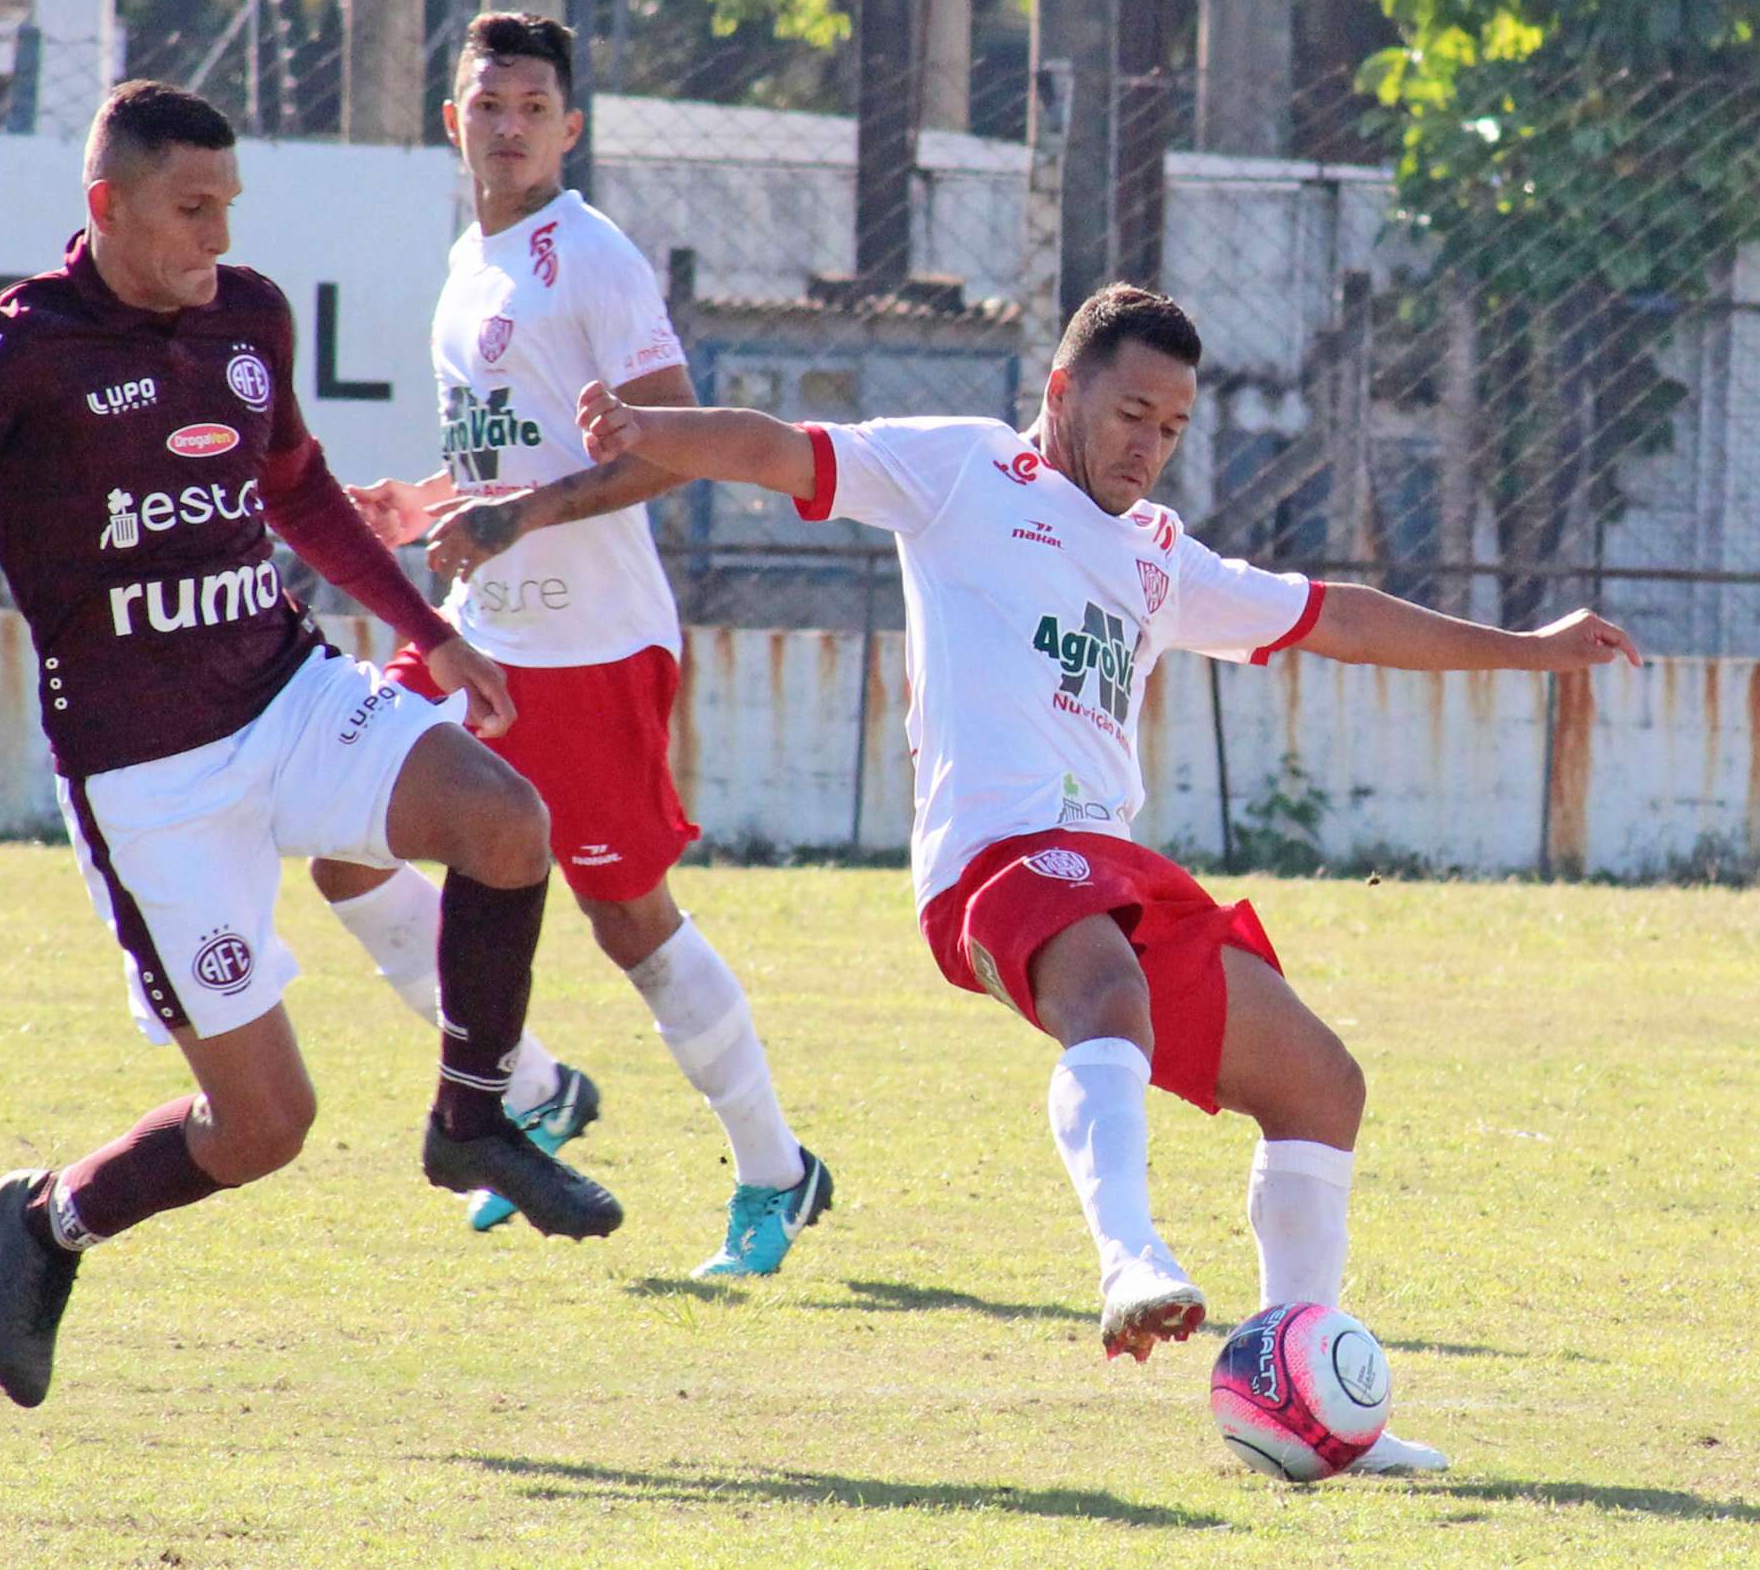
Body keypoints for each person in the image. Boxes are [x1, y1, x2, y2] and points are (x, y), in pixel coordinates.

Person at [542, 283, 1643, 1473]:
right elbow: (779, 449)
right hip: (990, 861)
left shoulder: (1159, 557)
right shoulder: (964, 472)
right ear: (1061, 392)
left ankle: (1304, 1393)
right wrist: (656, 431)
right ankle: (1129, 1257)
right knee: (1106, 986)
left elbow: (1337, 617)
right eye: (1130, 413)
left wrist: (1526, 649)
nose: (1148, 447)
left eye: (1172, 428)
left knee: (1321, 1084)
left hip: (1107, 867)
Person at [0, 80, 622, 1411]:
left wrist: (430, 629)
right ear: (109, 205)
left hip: (287, 691)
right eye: (189, 209)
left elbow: (299, 488)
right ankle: (50, 1222)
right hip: (152, 782)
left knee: (506, 821)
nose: (215, 235)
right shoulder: (21, 343)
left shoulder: (248, 315)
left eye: (227, 207)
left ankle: (474, 1118)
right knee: (265, 1127)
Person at [322, 13, 829, 1276]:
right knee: (341, 837)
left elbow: (668, 445)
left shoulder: (588, 256)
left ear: (569, 129)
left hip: (594, 651)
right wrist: (429, 502)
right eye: (487, 104)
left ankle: (776, 1171)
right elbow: (514, 450)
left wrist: (518, 516)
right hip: (481, 636)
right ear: (454, 120)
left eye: (533, 107)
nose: (508, 126)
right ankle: (528, 1087)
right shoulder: (467, 262)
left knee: (630, 923)